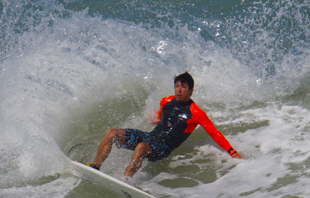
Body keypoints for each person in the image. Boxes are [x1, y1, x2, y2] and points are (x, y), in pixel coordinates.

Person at [88, 71, 243, 180]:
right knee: (112, 133)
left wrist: (232, 152)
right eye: (177, 86)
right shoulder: (166, 101)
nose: (179, 90)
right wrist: (154, 119)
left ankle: (125, 181)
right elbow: (161, 116)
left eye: (183, 87)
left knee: (141, 146)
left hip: (164, 147)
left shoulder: (196, 113)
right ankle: (95, 167)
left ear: (191, 90)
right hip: (151, 137)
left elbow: (214, 133)